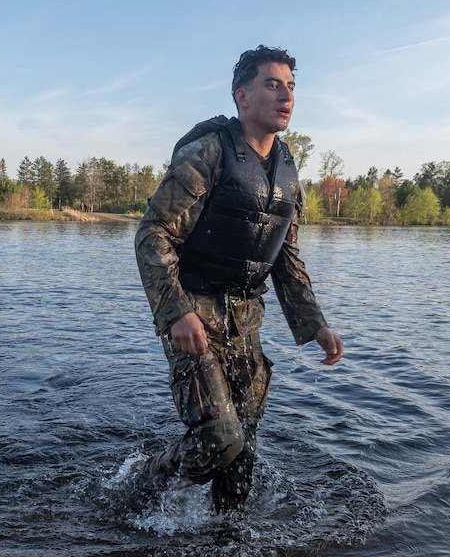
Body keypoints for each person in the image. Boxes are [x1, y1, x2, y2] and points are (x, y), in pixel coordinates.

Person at [134, 45, 344, 513]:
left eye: (290, 87)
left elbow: (286, 259)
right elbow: (153, 234)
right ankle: (141, 483)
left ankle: (226, 541)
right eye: (272, 85)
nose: (285, 95)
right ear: (241, 97)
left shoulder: (288, 172)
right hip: (195, 317)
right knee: (219, 440)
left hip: (246, 320)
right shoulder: (208, 152)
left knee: (243, 453)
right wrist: (177, 311)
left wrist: (315, 325)